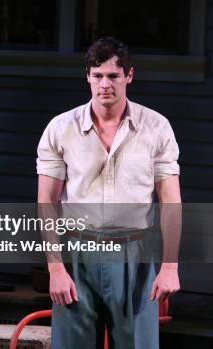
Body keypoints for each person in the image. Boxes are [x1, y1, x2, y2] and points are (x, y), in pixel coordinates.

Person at [36, 37, 181, 348]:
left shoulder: (156, 127)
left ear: (129, 76)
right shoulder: (61, 128)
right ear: (87, 76)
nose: (105, 84)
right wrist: (55, 267)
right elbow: (47, 202)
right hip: (77, 253)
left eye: (113, 75)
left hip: (134, 254)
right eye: (97, 75)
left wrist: (170, 266)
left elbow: (170, 200)